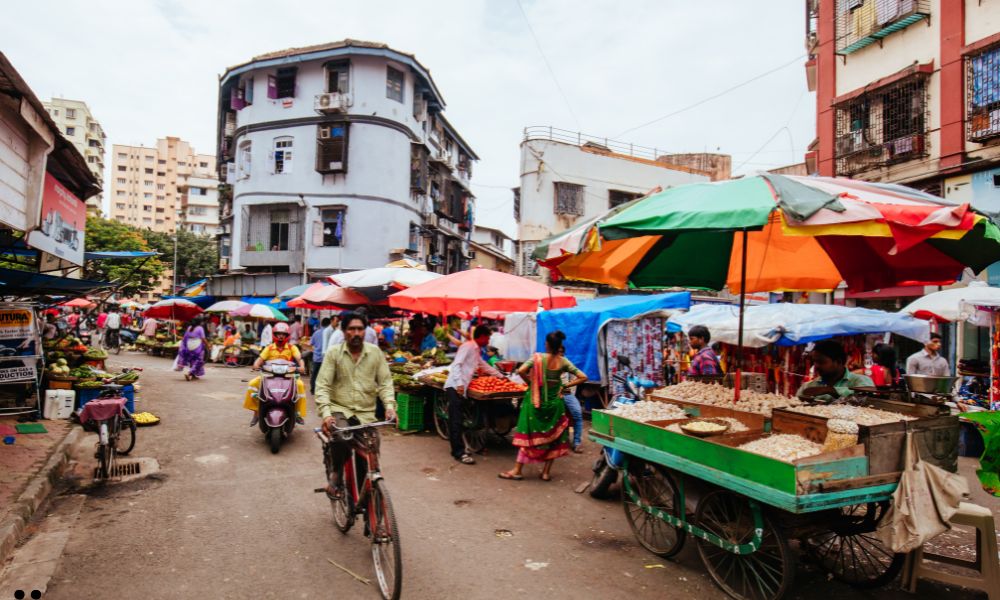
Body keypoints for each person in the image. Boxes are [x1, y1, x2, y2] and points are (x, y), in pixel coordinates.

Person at [316, 312, 397, 498]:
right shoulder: (334, 353)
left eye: (360, 329)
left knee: (370, 455)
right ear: (344, 332)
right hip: (340, 410)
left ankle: (370, 508)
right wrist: (327, 414)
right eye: (351, 329)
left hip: (366, 414)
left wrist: (390, 407)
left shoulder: (375, 353)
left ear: (365, 331)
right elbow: (322, 385)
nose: (356, 333)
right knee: (342, 437)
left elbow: (385, 383)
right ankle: (336, 473)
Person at [500, 331, 587, 481]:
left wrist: (531, 383)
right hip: (555, 405)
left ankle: (517, 470)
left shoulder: (537, 358)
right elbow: (583, 377)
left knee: (528, 435)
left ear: (547, 344)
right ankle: (546, 473)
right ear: (559, 346)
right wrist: (565, 385)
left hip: (535, 404)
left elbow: (521, 370)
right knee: (553, 438)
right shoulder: (563, 361)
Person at [444, 326, 504, 465]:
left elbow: (482, 365)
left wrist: (500, 376)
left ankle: (461, 447)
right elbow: (456, 365)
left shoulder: (476, 349)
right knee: (456, 420)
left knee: (460, 418)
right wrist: (459, 383)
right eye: (487, 337)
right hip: (455, 386)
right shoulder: (468, 346)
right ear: (481, 336)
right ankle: (458, 452)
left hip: (462, 386)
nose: (488, 340)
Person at [244, 322, 307, 426]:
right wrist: (255, 365)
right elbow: (260, 359)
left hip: (289, 376)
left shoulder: (292, 348)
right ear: (274, 335)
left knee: (300, 385)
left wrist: (302, 366)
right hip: (269, 376)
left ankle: (297, 414)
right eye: (278, 334)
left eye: (283, 334)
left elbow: (299, 358)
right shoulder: (269, 348)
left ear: (287, 336)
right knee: (252, 384)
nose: (281, 336)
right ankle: (256, 413)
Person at [798, 339, 874, 403]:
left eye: (821, 362)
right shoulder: (808, 386)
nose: (816, 366)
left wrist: (831, 390)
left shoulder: (861, 381)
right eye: (814, 362)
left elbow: (867, 397)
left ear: (838, 362)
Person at [309, 317, 331, 394]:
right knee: (325, 376)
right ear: (329, 324)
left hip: (317, 357)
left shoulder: (316, 333)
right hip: (326, 358)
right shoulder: (331, 333)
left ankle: (313, 389)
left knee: (314, 374)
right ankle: (323, 391)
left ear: (321, 324)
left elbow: (311, 343)